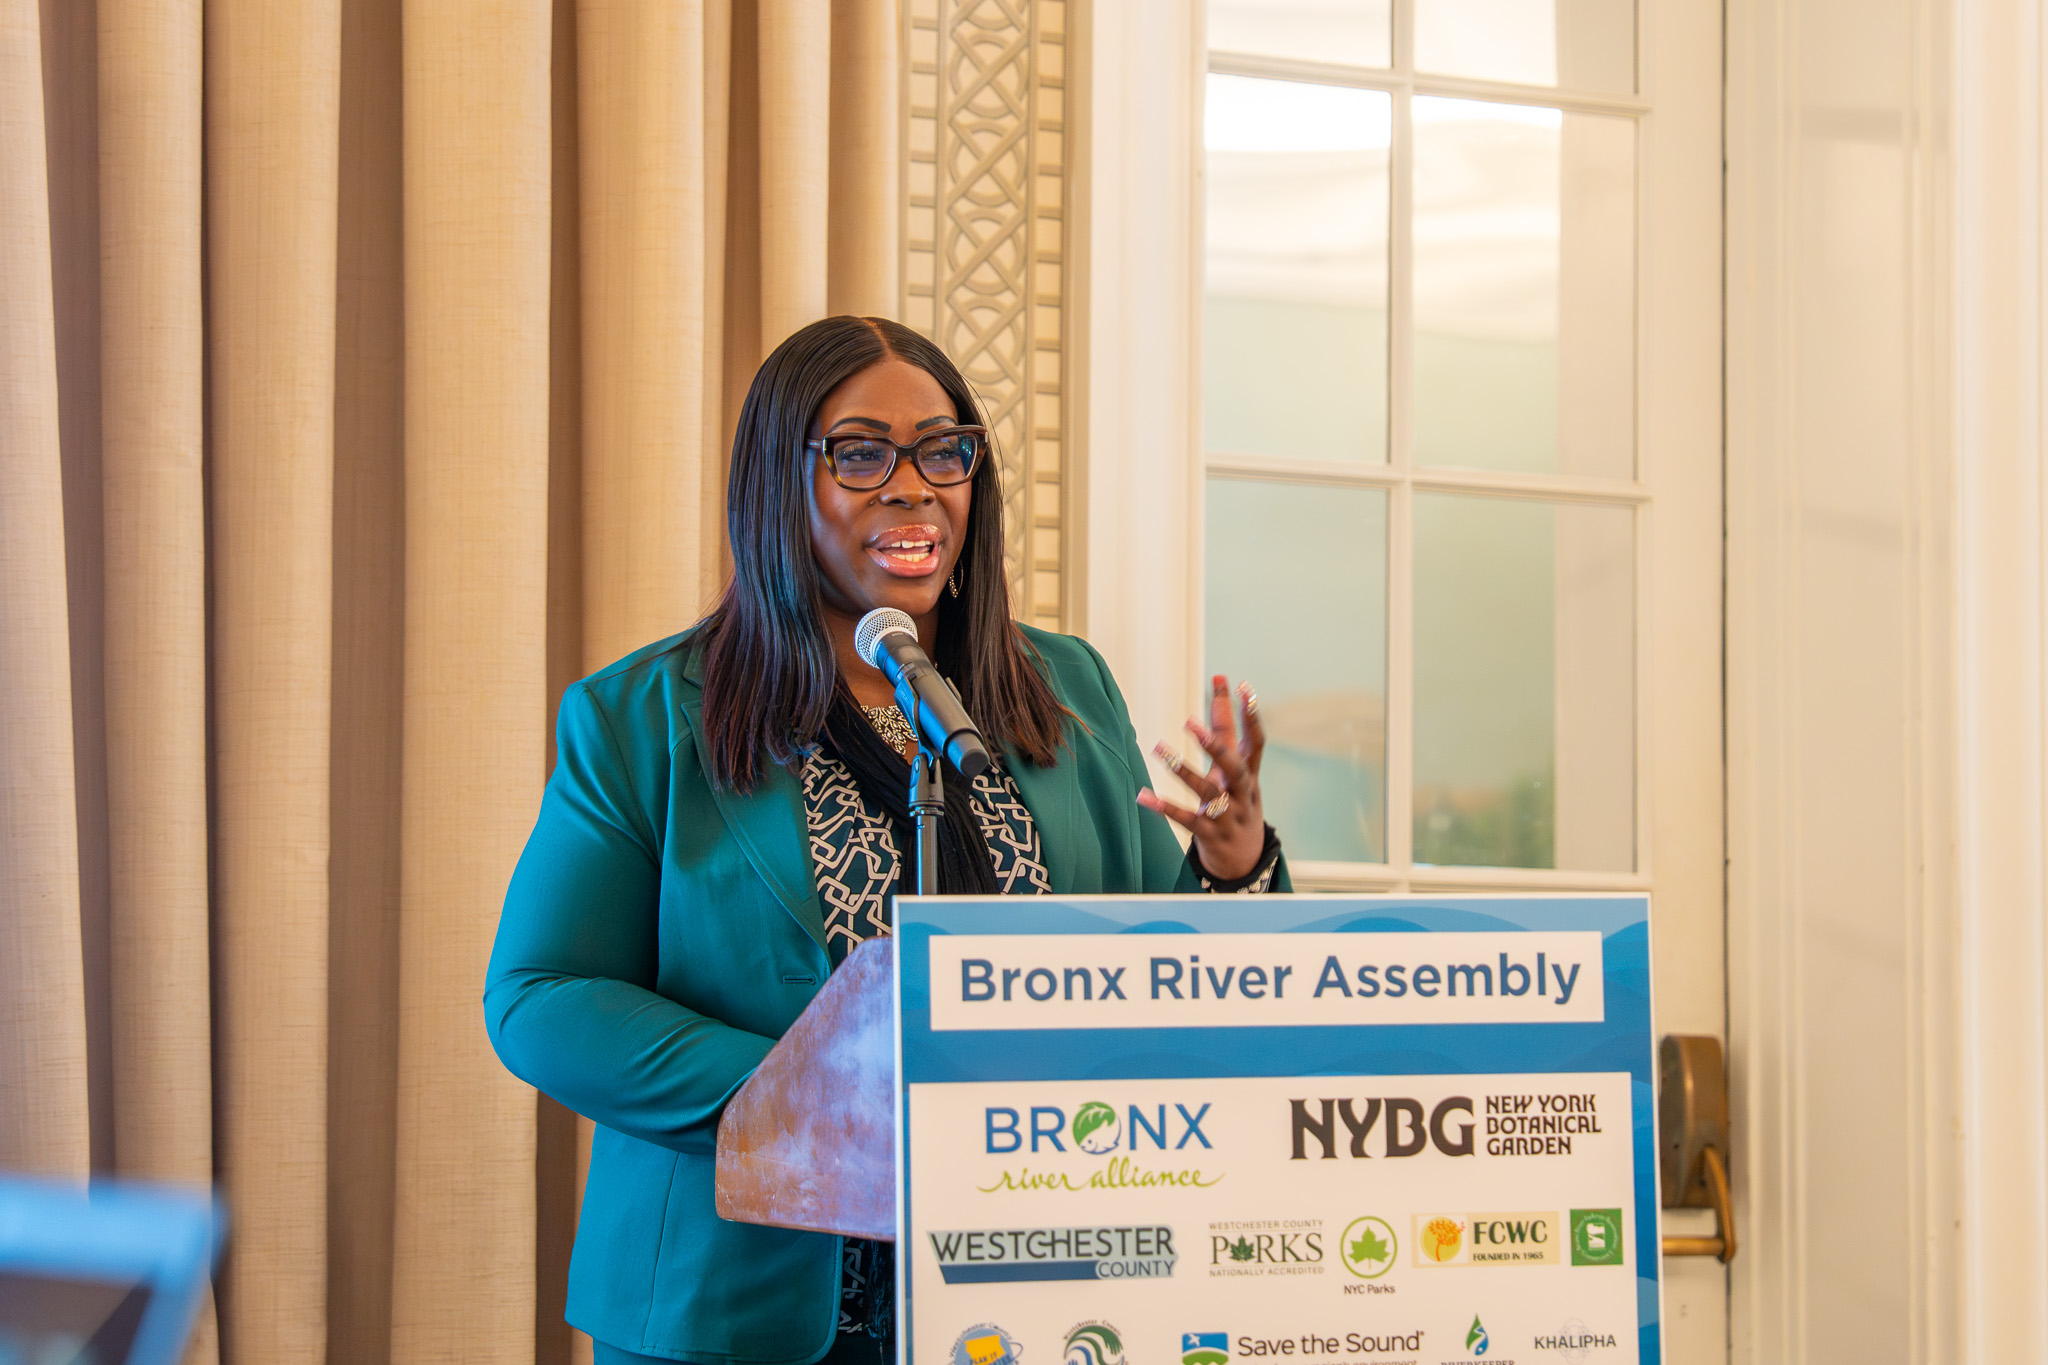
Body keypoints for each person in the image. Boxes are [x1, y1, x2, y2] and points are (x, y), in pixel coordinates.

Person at [485, 316, 1286, 1365]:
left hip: (1041, 1298)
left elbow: (1152, 981)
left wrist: (1229, 865)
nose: (911, 485)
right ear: (780, 483)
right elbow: (541, 997)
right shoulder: (642, 718)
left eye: (942, 449)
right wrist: (813, 1094)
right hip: (738, 1313)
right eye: (860, 453)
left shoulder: (1062, 687)